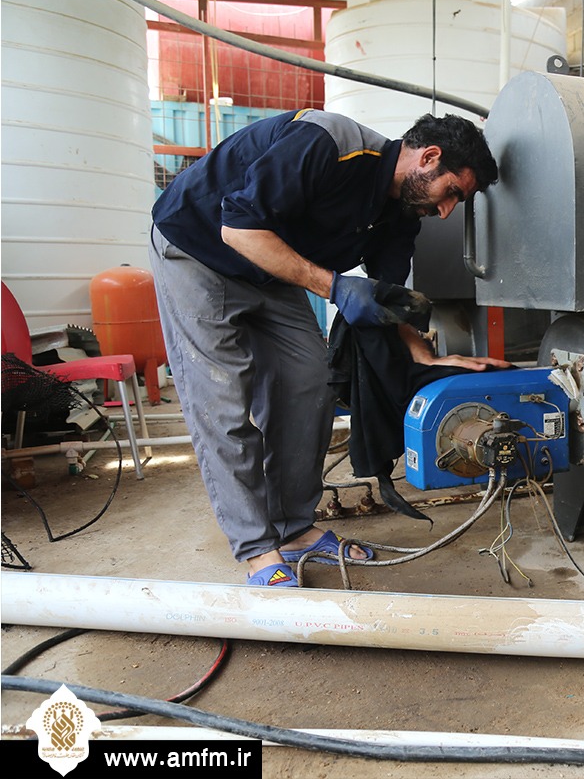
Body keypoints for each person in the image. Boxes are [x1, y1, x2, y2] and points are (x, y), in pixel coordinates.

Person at [149, 109, 508, 587]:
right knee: (224, 404)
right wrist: (335, 288)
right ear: (429, 157)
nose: (446, 211)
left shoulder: (402, 213)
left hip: (267, 268)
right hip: (199, 249)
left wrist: (422, 353)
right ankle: (259, 551)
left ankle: (295, 529)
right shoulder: (326, 144)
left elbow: (385, 296)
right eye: (452, 194)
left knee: (312, 383)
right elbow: (238, 227)